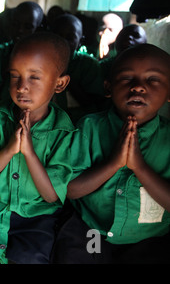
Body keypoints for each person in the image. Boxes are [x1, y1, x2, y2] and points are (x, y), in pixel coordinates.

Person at [0, 32, 75, 264]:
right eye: (14, 77)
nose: (22, 87)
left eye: (34, 78)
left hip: (36, 219)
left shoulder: (65, 133)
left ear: (59, 83)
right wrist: (11, 148)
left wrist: (29, 152)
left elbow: (51, 196)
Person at [53, 43, 170, 264]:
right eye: (127, 78)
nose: (138, 87)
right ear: (108, 88)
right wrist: (114, 163)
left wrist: (140, 168)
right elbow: (69, 189)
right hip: (93, 230)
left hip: (149, 239)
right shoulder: (89, 128)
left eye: (153, 79)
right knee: (77, 255)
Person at [51, 13, 106, 123]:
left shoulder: (89, 65)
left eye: (70, 37)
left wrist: (66, 77)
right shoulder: (40, 61)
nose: (63, 41)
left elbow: (95, 106)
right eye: (58, 36)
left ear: (80, 41)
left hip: (77, 125)